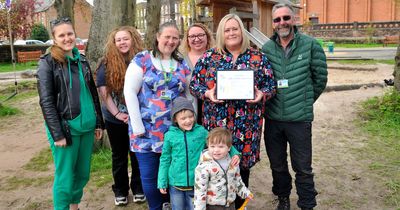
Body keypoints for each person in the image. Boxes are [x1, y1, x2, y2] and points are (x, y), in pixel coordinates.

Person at [189, 13, 276, 209]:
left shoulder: (258, 57)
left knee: (241, 167)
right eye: (227, 30)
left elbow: (271, 86)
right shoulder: (209, 57)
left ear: (241, 31)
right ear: (221, 33)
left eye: (235, 29)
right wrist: (208, 94)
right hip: (217, 125)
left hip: (247, 125)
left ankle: (239, 205)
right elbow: (194, 85)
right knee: (215, 166)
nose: (231, 33)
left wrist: (262, 94)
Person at [261, 3, 328, 210]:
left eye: (286, 18)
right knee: (277, 164)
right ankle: (282, 198)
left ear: (294, 19)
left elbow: (320, 78)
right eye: (277, 19)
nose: (282, 22)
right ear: (273, 24)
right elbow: (262, 80)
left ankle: (307, 204)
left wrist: (305, 100)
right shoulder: (267, 49)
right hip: (273, 119)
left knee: (302, 167)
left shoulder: (310, 45)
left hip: (299, 119)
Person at [37, 17, 104, 210]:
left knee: (82, 174)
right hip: (65, 129)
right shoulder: (47, 63)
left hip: (87, 127)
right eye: (62, 35)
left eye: (70, 34)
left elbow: (92, 93)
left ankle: (74, 207)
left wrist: (98, 122)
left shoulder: (81, 60)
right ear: (55, 39)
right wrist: (57, 134)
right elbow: (46, 102)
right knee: (65, 177)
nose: (67, 38)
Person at [124, 21, 191, 210]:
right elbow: (129, 92)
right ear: (158, 37)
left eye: (175, 38)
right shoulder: (142, 60)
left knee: (173, 172)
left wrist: (190, 122)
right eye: (167, 37)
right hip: (146, 132)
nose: (170, 41)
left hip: (175, 132)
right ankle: (156, 207)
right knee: (150, 175)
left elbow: (188, 95)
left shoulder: (181, 63)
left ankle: (171, 205)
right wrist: (137, 126)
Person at [157, 97, 240, 210]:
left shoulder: (201, 132)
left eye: (191, 116)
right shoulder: (169, 135)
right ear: (175, 119)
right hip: (175, 184)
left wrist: (235, 153)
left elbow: (219, 140)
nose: (188, 121)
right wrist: (162, 180)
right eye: (183, 118)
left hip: (196, 184)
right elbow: (165, 159)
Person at [95, 26, 145, 206]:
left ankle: (138, 188)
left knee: (137, 153)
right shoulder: (106, 63)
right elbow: (104, 92)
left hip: (138, 116)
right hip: (115, 117)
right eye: (119, 40)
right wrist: (117, 113)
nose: (122, 42)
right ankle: (121, 190)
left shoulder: (142, 60)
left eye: (126, 39)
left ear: (133, 40)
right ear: (114, 43)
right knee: (119, 155)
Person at [194, 127, 253, 210]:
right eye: (212, 146)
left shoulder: (232, 162)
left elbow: (237, 180)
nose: (216, 150)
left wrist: (245, 193)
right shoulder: (203, 167)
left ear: (229, 148)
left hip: (230, 204)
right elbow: (200, 192)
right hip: (213, 206)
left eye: (221, 147)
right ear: (208, 146)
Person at [180, 23, 214, 123]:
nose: (197, 39)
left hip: (211, 108)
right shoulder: (180, 59)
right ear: (187, 39)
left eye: (200, 35)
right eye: (192, 36)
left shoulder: (215, 58)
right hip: (187, 110)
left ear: (207, 37)